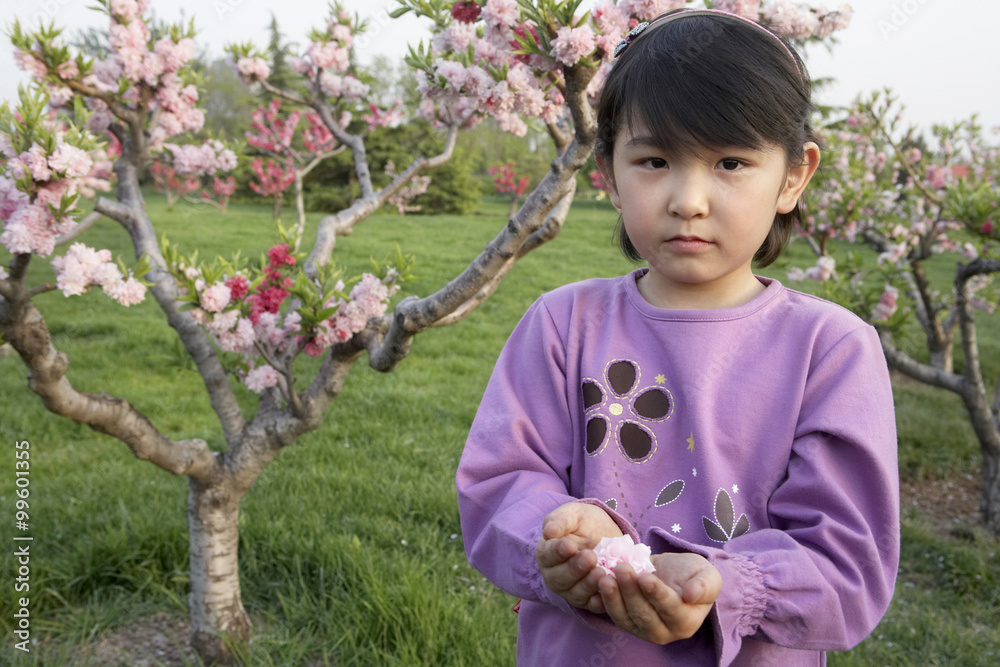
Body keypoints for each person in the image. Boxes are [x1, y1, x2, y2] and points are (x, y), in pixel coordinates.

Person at [456, 8, 899, 667]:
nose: (688, 198)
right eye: (655, 159)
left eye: (730, 162)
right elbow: (499, 484)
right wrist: (554, 538)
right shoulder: (562, 326)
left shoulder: (829, 351)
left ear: (794, 175)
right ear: (609, 169)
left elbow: (846, 564)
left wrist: (728, 584)